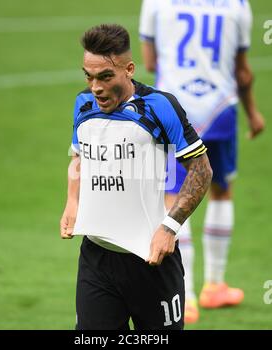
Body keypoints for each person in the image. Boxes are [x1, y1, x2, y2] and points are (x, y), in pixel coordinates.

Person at [60, 23, 212, 330]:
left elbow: (201, 169)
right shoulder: (83, 104)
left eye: (105, 76)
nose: (96, 87)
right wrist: (72, 202)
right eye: (89, 76)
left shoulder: (159, 106)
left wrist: (170, 227)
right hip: (96, 258)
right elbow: (79, 157)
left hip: (151, 260)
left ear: (129, 69)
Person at [139, 0, 265, 324]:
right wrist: (252, 112)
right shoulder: (237, 4)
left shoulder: (156, 2)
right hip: (220, 107)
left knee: (175, 195)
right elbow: (243, 72)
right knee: (221, 190)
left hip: (172, 110)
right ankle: (215, 284)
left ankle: (187, 296)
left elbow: (150, 61)